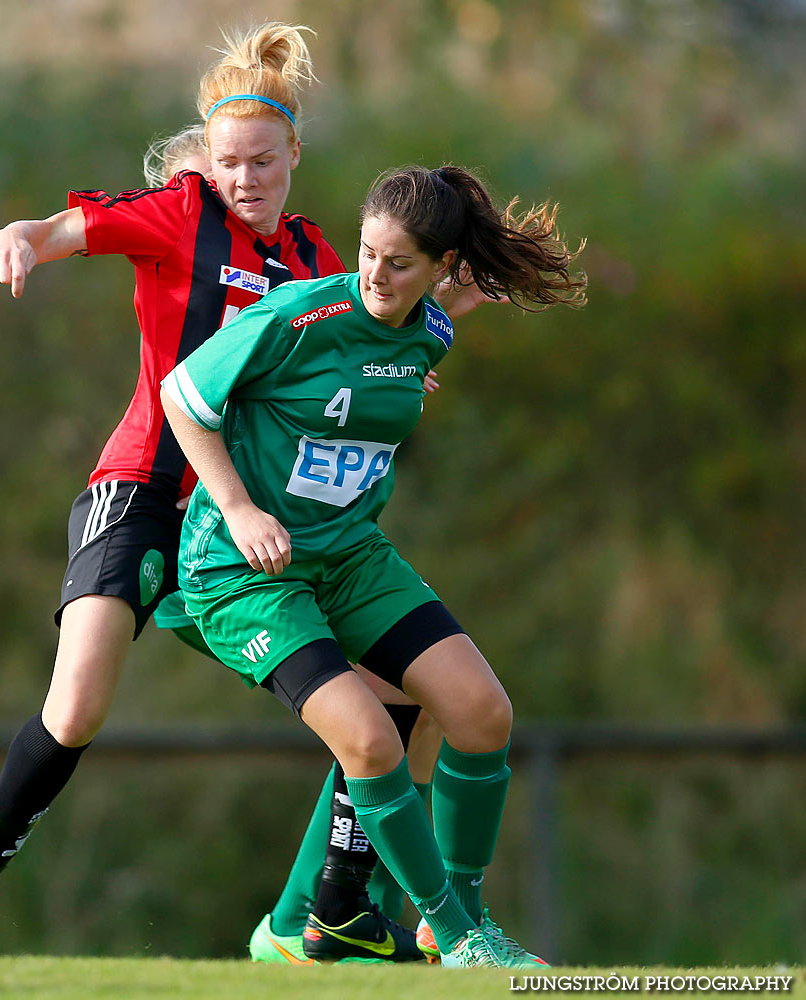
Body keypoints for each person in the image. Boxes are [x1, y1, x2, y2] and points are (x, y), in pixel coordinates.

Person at [0, 22, 349, 959]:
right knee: (78, 706)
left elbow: (362, 347)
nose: (245, 177)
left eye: (263, 160)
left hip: (239, 521)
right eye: (227, 161)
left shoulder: (319, 258)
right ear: (206, 162)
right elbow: (57, 229)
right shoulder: (178, 215)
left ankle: (333, 917)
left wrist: (424, 347)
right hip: (139, 488)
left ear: (293, 155)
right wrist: (16, 240)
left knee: (372, 699)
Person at [159, 163, 586, 968]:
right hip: (244, 573)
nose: (374, 277)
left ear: (441, 271)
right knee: (371, 744)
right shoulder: (298, 313)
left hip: (349, 555)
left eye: (398, 264)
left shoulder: (430, 332)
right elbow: (184, 395)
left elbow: (388, 371)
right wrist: (241, 508)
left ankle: (453, 917)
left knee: (481, 713)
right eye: (365, 254)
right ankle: (459, 938)